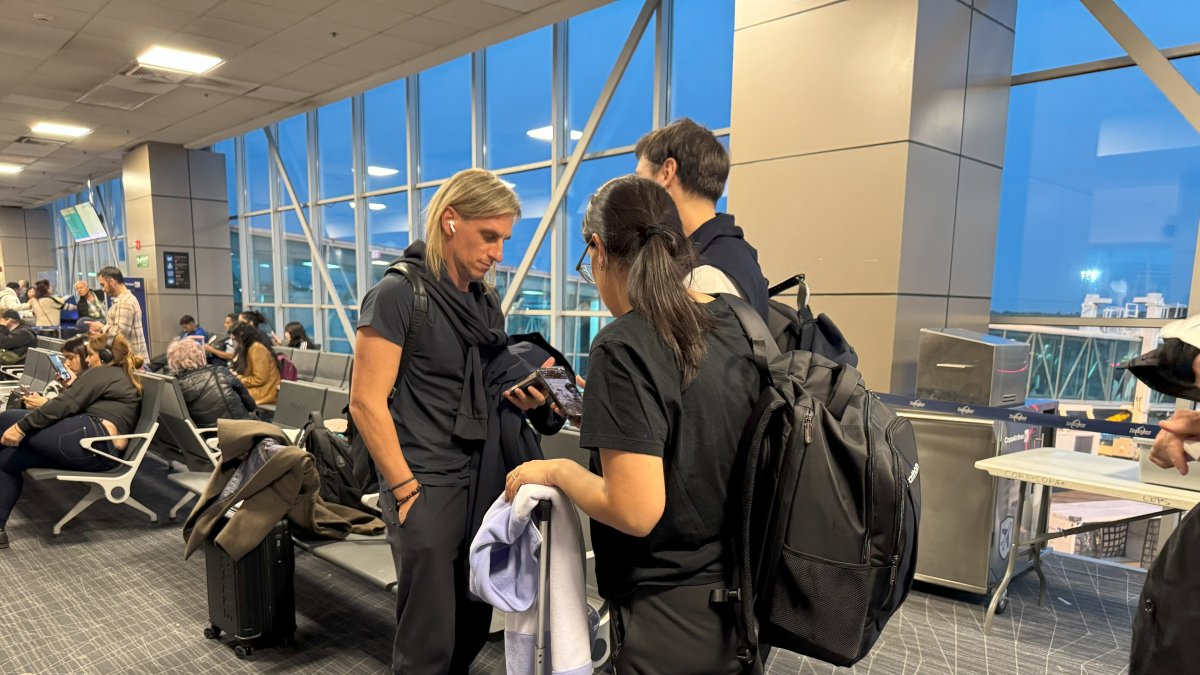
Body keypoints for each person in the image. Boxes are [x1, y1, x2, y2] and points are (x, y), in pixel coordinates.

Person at [503, 175, 761, 674]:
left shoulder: (626, 343)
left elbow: (636, 509)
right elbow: (699, 427)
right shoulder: (733, 319)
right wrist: (597, 410)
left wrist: (556, 471)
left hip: (667, 606)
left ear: (598, 249)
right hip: (742, 592)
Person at [351, 167, 555, 674]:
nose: (498, 253)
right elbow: (365, 403)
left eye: (504, 239)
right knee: (428, 634)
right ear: (449, 221)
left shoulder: (484, 302)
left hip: (480, 474)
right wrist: (402, 489)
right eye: (489, 236)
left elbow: (486, 387)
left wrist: (525, 398)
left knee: (471, 617)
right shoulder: (398, 294)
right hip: (422, 478)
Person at [0, 333, 144, 549]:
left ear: (104, 356)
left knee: (6, 420)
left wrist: (22, 428)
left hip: (92, 443)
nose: (88, 359)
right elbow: (73, 402)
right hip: (93, 445)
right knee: (8, 458)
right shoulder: (115, 375)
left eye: (92, 354)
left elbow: (65, 404)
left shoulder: (104, 372)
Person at [634, 117, 770, 320]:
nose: (636, 192)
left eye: (639, 178)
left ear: (667, 172)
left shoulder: (706, 277)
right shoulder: (729, 253)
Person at [167, 338, 255, 427]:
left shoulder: (174, 387)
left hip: (205, 437)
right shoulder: (219, 372)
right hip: (240, 432)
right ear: (201, 356)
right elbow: (251, 405)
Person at [88, 267, 148, 362]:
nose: (103, 289)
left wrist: (101, 328)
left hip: (131, 362)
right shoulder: (127, 299)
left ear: (112, 282)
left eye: (103, 285)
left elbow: (119, 333)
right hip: (132, 360)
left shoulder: (124, 302)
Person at [22, 336, 90, 410]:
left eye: (70, 358)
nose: (67, 363)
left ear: (86, 358)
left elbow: (77, 410)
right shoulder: (60, 383)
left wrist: (45, 404)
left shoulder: (93, 384)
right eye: (65, 358)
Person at [230, 323, 280, 406]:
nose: (234, 342)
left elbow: (260, 379)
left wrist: (239, 379)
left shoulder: (257, 348)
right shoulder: (251, 348)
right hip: (260, 389)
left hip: (264, 391)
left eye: (235, 339)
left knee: (229, 395)